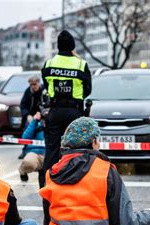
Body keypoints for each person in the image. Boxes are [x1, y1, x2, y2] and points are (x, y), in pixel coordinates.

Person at [39, 117, 150, 225]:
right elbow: (126, 224)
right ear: (94, 142)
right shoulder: (105, 171)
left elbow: (48, 221)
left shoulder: (52, 173)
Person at [40, 30, 92, 188]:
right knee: (78, 150)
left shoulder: (49, 64)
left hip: (55, 111)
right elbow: (88, 89)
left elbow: (47, 86)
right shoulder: (81, 64)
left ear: (58, 46)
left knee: (52, 152)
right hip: (74, 113)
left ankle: (47, 188)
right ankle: (77, 185)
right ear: (72, 46)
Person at [18, 75, 43, 160]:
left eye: (35, 84)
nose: (33, 86)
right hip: (31, 115)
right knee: (27, 130)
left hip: (42, 115)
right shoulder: (28, 92)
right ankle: (25, 149)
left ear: (39, 83)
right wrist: (27, 115)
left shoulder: (44, 91)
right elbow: (23, 105)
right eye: (31, 85)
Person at [18, 113, 45, 182]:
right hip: (34, 152)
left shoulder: (57, 122)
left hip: (50, 154)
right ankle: (22, 171)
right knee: (29, 163)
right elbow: (24, 139)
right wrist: (34, 121)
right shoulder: (36, 123)